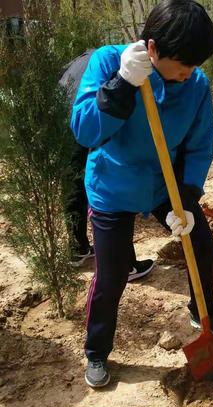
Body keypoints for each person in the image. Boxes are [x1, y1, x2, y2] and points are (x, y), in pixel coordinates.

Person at [71, 0, 213, 388]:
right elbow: (85, 131)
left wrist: (188, 198)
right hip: (113, 185)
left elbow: (198, 145)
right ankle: (97, 351)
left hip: (164, 186)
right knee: (110, 277)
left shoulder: (195, 84)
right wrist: (121, 85)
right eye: (184, 64)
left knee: (201, 245)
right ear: (154, 48)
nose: (190, 73)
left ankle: (203, 309)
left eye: (197, 65)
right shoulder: (111, 63)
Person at [60, 51, 154, 282]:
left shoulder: (74, 62)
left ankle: (77, 247)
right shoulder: (111, 62)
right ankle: (126, 265)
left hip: (64, 123)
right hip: (93, 122)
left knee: (74, 184)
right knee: (109, 191)